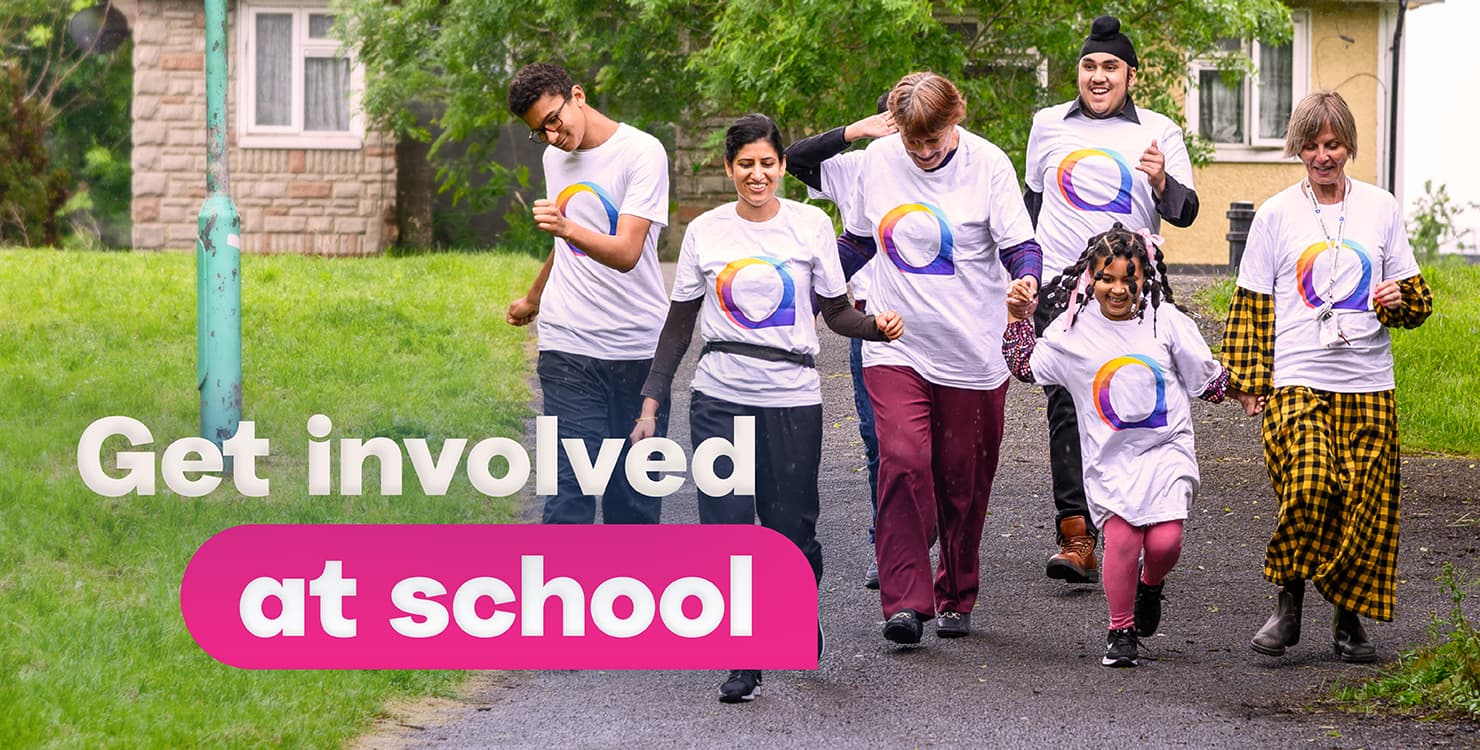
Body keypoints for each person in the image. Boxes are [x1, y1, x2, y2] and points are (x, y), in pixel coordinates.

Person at [630, 114, 903, 703]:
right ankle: (744, 656)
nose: (757, 174)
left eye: (767, 163)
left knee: (791, 530)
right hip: (719, 397)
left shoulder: (810, 225)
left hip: (792, 397)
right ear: (729, 168)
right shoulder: (706, 231)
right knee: (726, 529)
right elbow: (679, 326)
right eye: (746, 164)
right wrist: (652, 399)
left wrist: (875, 328)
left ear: (780, 166)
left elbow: (837, 313)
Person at [824, 72, 1042, 644]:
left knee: (962, 485)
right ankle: (904, 603)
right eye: (912, 141)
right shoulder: (878, 160)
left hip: (972, 352)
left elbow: (1021, 245)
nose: (922, 152)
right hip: (898, 344)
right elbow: (859, 241)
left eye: (933, 139)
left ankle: (956, 592)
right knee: (900, 458)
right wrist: (814, 283)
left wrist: (1026, 281)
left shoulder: (988, 164)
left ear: (956, 118)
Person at [1222, 90, 1432, 663]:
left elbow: (1416, 300)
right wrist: (1248, 379)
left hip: (1369, 384)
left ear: (1349, 147)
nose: (1323, 156)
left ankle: (1348, 619)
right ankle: (1287, 601)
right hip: (1298, 378)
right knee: (1310, 483)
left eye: (1333, 144)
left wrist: (1396, 298)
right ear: (1298, 148)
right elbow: (1252, 302)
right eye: (1312, 145)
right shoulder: (1275, 215)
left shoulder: (1381, 208)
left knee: (1365, 504)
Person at [1003, 224, 1256, 667]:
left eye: (1128, 278)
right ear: (1090, 278)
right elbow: (1024, 365)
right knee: (1121, 540)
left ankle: (1150, 584)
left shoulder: (1165, 321)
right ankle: (1120, 630)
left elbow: (1204, 374)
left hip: (1166, 450)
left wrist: (1242, 394)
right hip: (1110, 458)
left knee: (1165, 542)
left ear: (1145, 277)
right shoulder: (1071, 332)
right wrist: (1016, 317)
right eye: (1107, 278)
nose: (1118, 289)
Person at [1023, 15, 1200, 585]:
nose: (1098, 76)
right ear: (1078, 72)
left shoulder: (1158, 130)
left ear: (1130, 75)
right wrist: (1025, 276)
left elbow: (1185, 212)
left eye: (1110, 67)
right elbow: (1030, 206)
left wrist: (1161, 181)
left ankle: (1134, 516)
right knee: (1066, 405)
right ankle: (1076, 535)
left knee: (1128, 398)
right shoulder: (1047, 124)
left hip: (1131, 288)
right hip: (1063, 289)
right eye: (1089, 66)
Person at [505, 62, 672, 525]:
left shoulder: (642, 153)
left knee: (634, 502)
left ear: (577, 95)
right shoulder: (554, 157)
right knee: (568, 494)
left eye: (553, 120)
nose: (552, 136)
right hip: (568, 345)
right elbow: (569, 244)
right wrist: (534, 298)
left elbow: (626, 251)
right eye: (539, 131)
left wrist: (566, 227)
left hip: (638, 349)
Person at [784, 93, 896, 590]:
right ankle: (887, 542)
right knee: (877, 439)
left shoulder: (950, 167)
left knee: (932, 447)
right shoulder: (856, 167)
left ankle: (927, 530)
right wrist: (855, 131)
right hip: (871, 321)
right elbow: (795, 159)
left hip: (935, 319)